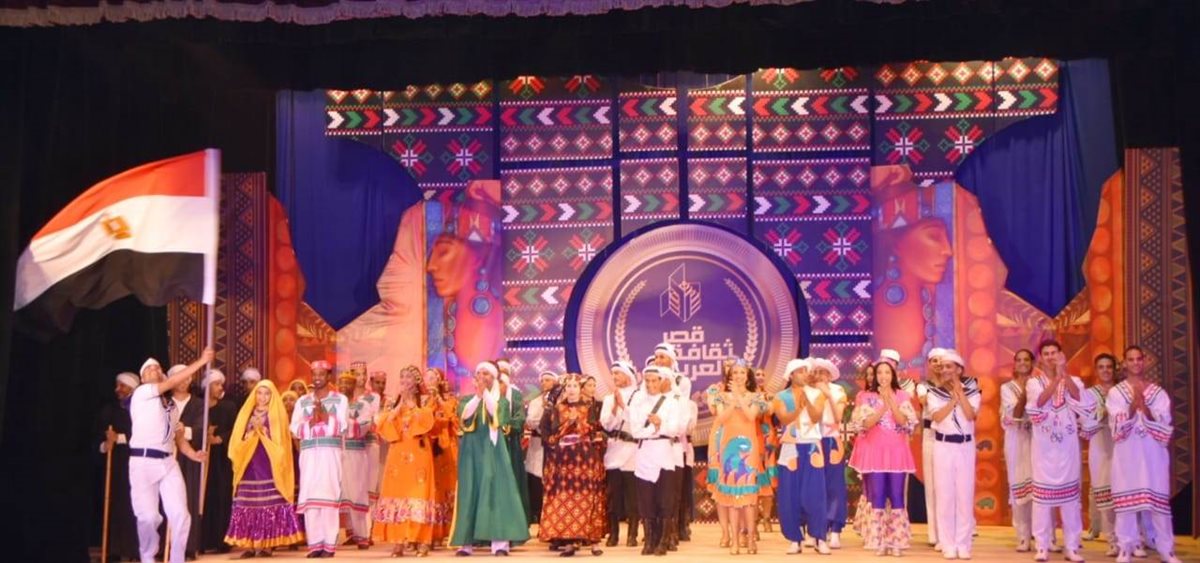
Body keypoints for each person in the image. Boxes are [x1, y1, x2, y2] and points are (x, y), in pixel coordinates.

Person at [128, 349, 213, 563]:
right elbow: (173, 382)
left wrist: (194, 454)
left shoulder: (171, 406)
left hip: (167, 462)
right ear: (142, 378)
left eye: (157, 367)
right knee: (148, 517)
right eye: (149, 369)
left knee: (181, 515)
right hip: (142, 462)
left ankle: (177, 559)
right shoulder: (142, 393)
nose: (154, 370)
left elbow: (178, 439)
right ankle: (148, 557)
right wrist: (202, 361)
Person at [1108, 346, 1183, 563]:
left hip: (1153, 457)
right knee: (1126, 506)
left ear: (1144, 361)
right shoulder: (1116, 393)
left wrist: (1146, 409)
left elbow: (1164, 425)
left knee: (1159, 505)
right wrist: (1134, 405)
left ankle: (1166, 550)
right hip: (1127, 456)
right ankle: (1125, 548)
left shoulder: (1158, 393)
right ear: (1125, 363)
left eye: (1138, 359)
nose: (1135, 363)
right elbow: (1117, 429)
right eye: (1130, 359)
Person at [450, 361, 531, 556]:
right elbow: (465, 416)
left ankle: (500, 543)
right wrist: (478, 396)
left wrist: (485, 393)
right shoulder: (466, 399)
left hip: (493, 450)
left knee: (497, 490)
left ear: (494, 378)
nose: (482, 376)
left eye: (486, 373)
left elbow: (498, 416)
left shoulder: (501, 401)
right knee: (470, 490)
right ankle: (466, 543)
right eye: (479, 373)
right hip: (471, 451)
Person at [1025, 339, 1089, 563]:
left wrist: (1064, 374)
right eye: (1047, 353)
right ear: (1041, 358)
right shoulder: (1033, 383)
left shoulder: (1075, 381)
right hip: (1043, 449)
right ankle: (1042, 546)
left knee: (1071, 501)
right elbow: (1039, 402)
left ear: (1061, 355)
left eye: (1055, 353)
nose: (1051, 357)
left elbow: (1079, 398)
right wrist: (1055, 379)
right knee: (1042, 502)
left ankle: (1071, 547)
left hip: (1067, 447)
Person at [224, 380, 304, 556]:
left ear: (272, 395)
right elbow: (238, 438)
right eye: (259, 393)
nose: (262, 397)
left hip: (269, 462)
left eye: (267, 393)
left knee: (268, 501)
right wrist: (251, 432)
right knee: (247, 501)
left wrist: (264, 433)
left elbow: (281, 441)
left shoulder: (277, 413)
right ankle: (249, 544)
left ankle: (268, 544)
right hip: (248, 462)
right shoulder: (246, 412)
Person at [849, 361, 918, 556]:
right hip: (874, 453)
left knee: (896, 495)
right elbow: (865, 424)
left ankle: (896, 542)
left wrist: (891, 403)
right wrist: (882, 408)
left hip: (897, 452)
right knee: (877, 495)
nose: (883, 376)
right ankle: (878, 541)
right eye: (879, 372)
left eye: (887, 372)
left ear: (893, 375)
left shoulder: (902, 395)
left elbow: (904, 422)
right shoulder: (865, 397)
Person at [538, 374, 608, 556]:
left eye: (575, 386)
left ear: (580, 389)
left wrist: (581, 425)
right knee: (566, 497)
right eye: (568, 386)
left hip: (584, 458)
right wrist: (562, 431)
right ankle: (570, 540)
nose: (571, 389)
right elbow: (547, 431)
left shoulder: (590, 408)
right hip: (563, 459)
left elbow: (596, 431)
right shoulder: (556, 409)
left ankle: (591, 540)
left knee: (586, 496)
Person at [373, 365, 437, 557]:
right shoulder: (392, 402)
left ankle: (422, 540)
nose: (404, 381)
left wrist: (412, 406)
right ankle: (398, 540)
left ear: (417, 381)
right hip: (398, 452)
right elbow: (383, 423)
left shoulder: (425, 400)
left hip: (419, 452)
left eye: (408, 377)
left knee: (419, 495)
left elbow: (428, 422)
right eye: (402, 377)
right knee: (397, 493)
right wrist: (399, 405)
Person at [290, 360, 349, 559]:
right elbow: (294, 427)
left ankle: (329, 545)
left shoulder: (340, 399)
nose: (317, 378)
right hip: (308, 455)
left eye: (321, 374)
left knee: (328, 499)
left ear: (329, 376)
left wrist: (324, 416)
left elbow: (343, 425)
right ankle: (314, 545)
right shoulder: (302, 401)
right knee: (311, 501)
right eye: (314, 374)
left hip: (330, 454)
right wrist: (310, 422)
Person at [709, 359, 768, 555]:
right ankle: (734, 540)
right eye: (735, 373)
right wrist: (732, 399)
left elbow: (751, 416)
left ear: (747, 376)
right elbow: (721, 418)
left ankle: (750, 539)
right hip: (728, 448)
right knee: (732, 497)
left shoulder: (756, 397)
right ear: (730, 376)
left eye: (742, 372)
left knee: (748, 498)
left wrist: (739, 398)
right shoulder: (721, 397)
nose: (739, 376)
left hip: (748, 449)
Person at [772, 358, 831, 555]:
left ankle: (819, 537)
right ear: (791, 375)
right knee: (790, 494)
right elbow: (783, 418)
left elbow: (816, 417)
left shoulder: (817, 394)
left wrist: (807, 399)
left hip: (812, 446)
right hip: (791, 447)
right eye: (800, 371)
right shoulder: (781, 396)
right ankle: (795, 538)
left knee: (815, 494)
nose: (805, 374)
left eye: (806, 370)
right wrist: (798, 406)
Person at [926, 350, 979, 560]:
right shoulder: (934, 393)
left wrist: (960, 394)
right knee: (945, 496)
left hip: (965, 446)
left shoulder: (973, 391)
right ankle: (947, 543)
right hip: (943, 446)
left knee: (964, 496)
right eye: (943, 367)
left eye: (949, 367)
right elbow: (937, 417)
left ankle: (963, 544)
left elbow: (971, 415)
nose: (945, 370)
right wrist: (952, 401)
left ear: (959, 369)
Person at [630, 366, 684, 556]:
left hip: (664, 454)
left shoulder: (672, 403)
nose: (651, 384)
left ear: (662, 381)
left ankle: (663, 540)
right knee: (646, 498)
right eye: (648, 381)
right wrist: (654, 429)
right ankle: (649, 540)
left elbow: (675, 429)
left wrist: (660, 425)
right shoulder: (638, 403)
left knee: (665, 498)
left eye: (654, 380)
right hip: (644, 453)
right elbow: (635, 431)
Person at [99, 371, 142, 562]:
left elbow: (142, 434)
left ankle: (134, 550)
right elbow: (99, 433)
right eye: (117, 385)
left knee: (135, 506)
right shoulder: (110, 409)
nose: (118, 389)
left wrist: (120, 438)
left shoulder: (140, 409)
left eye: (122, 386)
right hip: (116, 465)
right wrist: (106, 444)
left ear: (132, 388)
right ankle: (113, 549)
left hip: (137, 462)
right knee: (115, 505)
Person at [1082, 353, 1119, 556]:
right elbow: (1087, 421)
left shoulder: (1122, 391)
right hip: (1100, 445)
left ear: (1114, 369)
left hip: (1122, 447)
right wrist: (1105, 411)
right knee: (1103, 491)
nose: (1105, 370)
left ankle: (1130, 538)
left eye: (1109, 367)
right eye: (1101, 367)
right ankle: (1111, 540)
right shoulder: (1089, 394)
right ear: (1096, 370)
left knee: (1122, 492)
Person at [600, 361, 640, 547]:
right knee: (613, 495)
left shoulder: (639, 397)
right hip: (614, 450)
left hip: (632, 451)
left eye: (618, 373)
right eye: (613, 374)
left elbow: (637, 421)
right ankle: (613, 534)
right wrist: (615, 407)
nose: (615, 377)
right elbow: (606, 424)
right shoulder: (609, 399)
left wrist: (623, 405)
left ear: (628, 376)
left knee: (633, 495)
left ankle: (632, 534)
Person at [168, 363, 206, 559]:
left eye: (187, 378)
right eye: (179, 378)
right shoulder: (164, 402)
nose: (183, 382)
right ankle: (165, 545)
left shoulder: (198, 404)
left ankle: (188, 546)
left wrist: (184, 431)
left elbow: (201, 429)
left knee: (188, 498)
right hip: (167, 456)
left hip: (189, 458)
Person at [810, 357, 849, 549]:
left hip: (831, 440)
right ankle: (816, 529)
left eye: (823, 372)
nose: (819, 376)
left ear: (829, 375)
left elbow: (838, 417)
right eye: (816, 372)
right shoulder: (808, 391)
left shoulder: (837, 390)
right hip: (812, 441)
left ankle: (835, 530)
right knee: (814, 486)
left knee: (834, 486)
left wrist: (827, 395)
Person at [1001, 349, 1036, 552]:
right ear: (1014, 364)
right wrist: (1027, 391)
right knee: (1018, 485)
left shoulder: (1040, 385)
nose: (1023, 363)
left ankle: (1044, 536)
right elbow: (1016, 414)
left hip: (1038, 441)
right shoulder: (1007, 388)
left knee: (1039, 487)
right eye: (1019, 360)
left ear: (1032, 363)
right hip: (1016, 439)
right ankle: (1023, 535)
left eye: (1026, 359)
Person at [199, 369, 237, 554]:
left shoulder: (228, 407)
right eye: (216, 384)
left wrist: (220, 438)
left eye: (221, 384)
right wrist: (204, 437)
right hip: (202, 459)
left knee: (222, 497)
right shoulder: (198, 408)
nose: (220, 387)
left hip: (222, 460)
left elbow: (236, 430)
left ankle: (222, 541)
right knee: (203, 498)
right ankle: (202, 541)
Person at [337, 370, 375, 549]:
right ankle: (347, 533)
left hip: (356, 454)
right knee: (339, 493)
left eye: (348, 383)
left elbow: (365, 426)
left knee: (357, 492)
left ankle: (362, 534)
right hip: (337, 454)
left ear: (354, 386)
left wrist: (344, 422)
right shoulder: (334, 405)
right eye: (341, 383)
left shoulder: (362, 405)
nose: (344, 386)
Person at [422, 367, 459, 546]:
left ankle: (444, 531)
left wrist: (438, 399)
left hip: (445, 447)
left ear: (439, 381)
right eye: (427, 378)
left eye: (433, 378)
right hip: (426, 446)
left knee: (444, 488)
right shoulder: (420, 400)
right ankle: (427, 532)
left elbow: (452, 418)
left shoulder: (449, 399)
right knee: (428, 489)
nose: (429, 381)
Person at [916, 347, 947, 548]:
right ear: (928, 364)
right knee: (932, 485)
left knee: (946, 484)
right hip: (930, 434)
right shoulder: (923, 386)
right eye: (934, 361)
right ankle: (933, 533)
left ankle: (948, 531)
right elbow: (924, 401)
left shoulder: (955, 385)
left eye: (941, 361)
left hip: (949, 435)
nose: (937, 364)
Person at [496, 358, 532, 526]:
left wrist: (505, 426)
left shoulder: (515, 394)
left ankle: (516, 519)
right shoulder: (488, 395)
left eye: (505, 373)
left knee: (513, 478)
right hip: (492, 444)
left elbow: (520, 418)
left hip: (510, 443)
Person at [524, 370, 559, 526]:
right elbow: (531, 421)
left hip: (553, 445)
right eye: (543, 380)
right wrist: (542, 413)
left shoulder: (560, 400)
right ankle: (537, 513)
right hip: (537, 443)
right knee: (536, 478)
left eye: (548, 380)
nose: (544, 383)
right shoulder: (536, 401)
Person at [753, 367, 779, 539]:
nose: (760, 377)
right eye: (757, 375)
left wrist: (768, 401)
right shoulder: (748, 396)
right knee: (755, 480)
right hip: (753, 437)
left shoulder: (770, 396)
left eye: (763, 374)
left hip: (769, 438)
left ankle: (767, 518)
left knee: (769, 481)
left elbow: (770, 412)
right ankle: (753, 520)